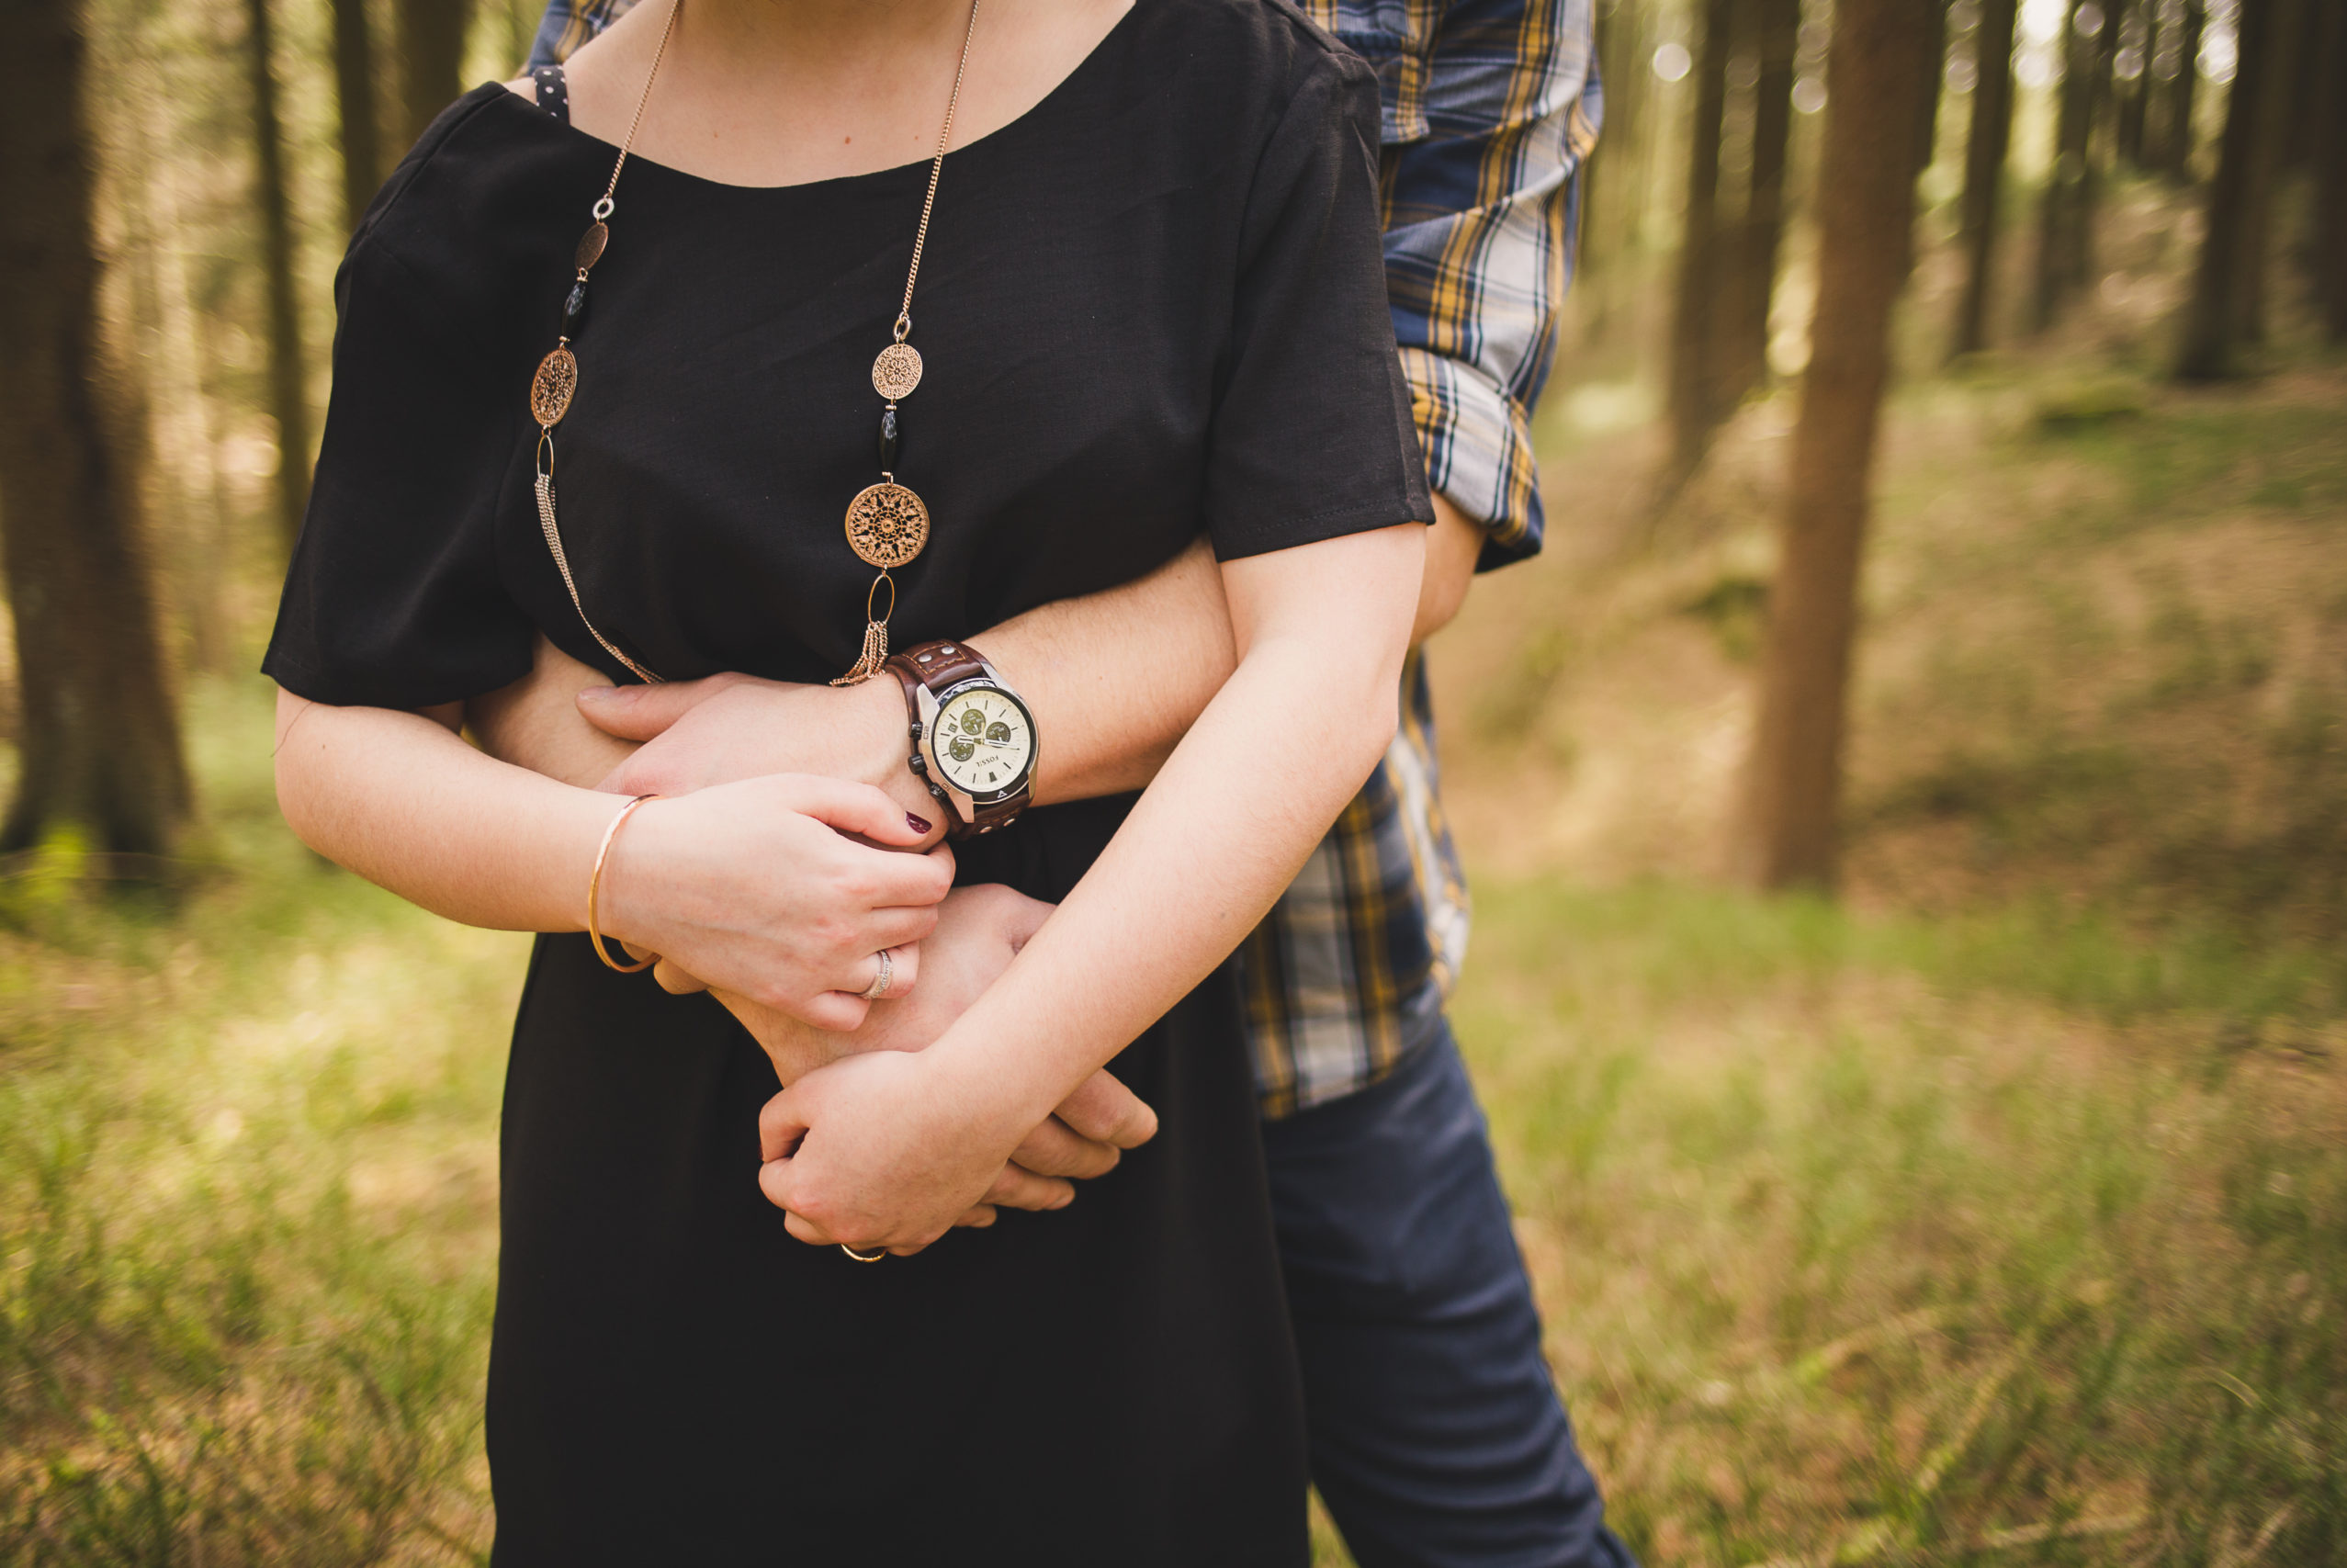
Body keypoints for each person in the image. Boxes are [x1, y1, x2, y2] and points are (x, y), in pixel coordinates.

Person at [266, 0, 1434, 1560]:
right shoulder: (494, 190)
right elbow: (340, 739)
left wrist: (978, 1085)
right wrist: (649, 876)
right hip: (671, 1159)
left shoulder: (1234, 97)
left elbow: (1327, 659)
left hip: (1083, 1136)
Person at [491, 3, 1634, 1566]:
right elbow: (530, 537)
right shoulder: (563, 128)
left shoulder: (1321, 68)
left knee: (1494, 1534)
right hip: (770, 1049)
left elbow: (1401, 514)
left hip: (1301, 991)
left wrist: (898, 739)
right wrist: (826, 950)